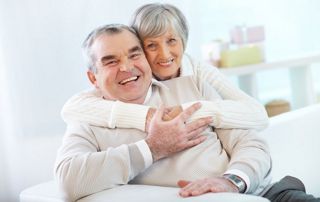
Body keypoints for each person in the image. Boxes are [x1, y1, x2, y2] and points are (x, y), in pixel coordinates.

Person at [55, 24, 272, 202]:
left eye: (134, 54)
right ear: (93, 78)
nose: (126, 67)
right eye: (111, 61)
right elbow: (68, 181)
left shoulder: (191, 85)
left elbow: (251, 144)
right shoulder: (88, 119)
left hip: (256, 192)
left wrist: (231, 181)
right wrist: (153, 148)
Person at [61, 3, 269, 133]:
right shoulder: (132, 80)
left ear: (183, 41)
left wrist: (194, 111)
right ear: (139, 49)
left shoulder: (197, 70)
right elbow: (72, 108)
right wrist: (148, 116)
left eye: (171, 41)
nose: (165, 54)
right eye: (151, 45)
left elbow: (258, 114)